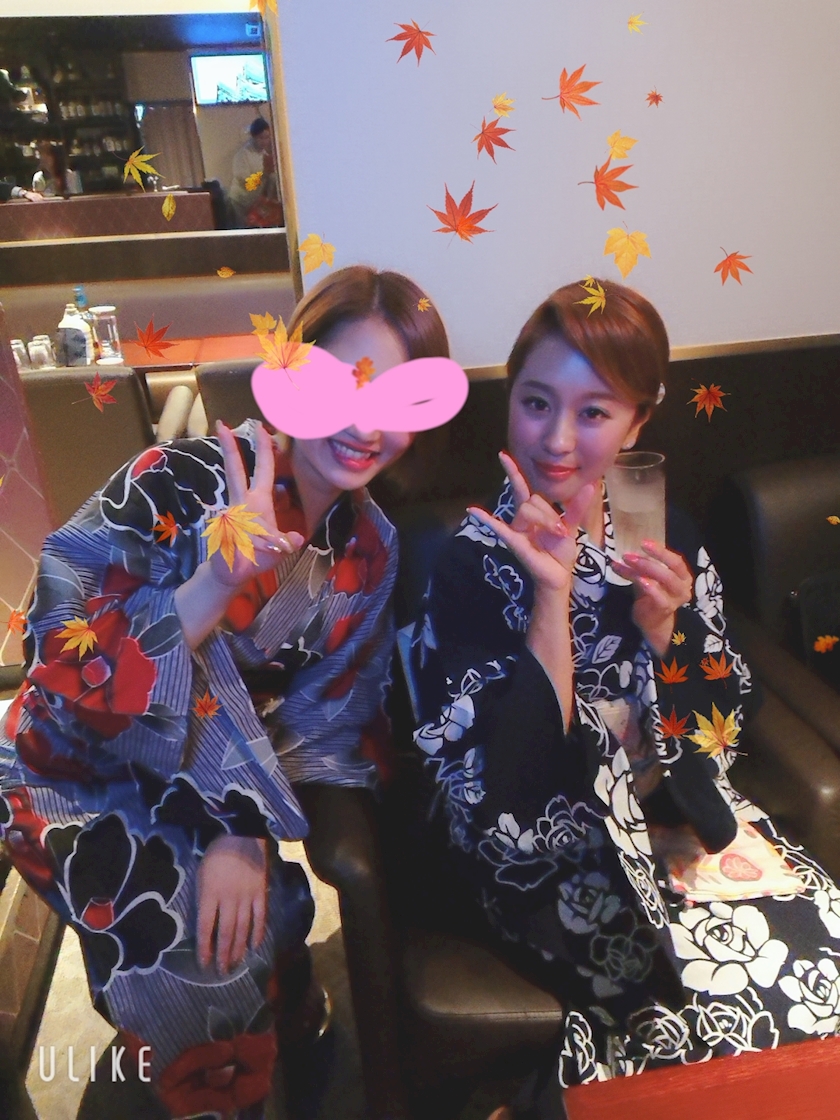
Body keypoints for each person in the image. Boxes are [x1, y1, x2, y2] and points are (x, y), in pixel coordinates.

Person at [0, 266, 455, 1119]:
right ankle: (222, 1072)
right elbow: (59, 639)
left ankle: (276, 1023)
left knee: (251, 917)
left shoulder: (369, 547)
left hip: (211, 784)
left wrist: (240, 829)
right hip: (77, 767)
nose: (363, 424)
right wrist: (213, 583)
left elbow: (325, 721)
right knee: (197, 956)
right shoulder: (176, 478)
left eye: (394, 397)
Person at [409, 279, 840, 1119]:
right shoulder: (470, 560)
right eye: (536, 402)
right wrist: (550, 600)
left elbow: (719, 732)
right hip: (539, 846)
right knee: (685, 1005)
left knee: (823, 962)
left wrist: (665, 632)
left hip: (667, 818)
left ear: (639, 422)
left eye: (594, 413)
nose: (555, 440)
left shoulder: (665, 535)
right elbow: (504, 790)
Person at [229, 117, 277, 227]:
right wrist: (264, 174)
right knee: (244, 232)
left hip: (256, 201)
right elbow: (247, 183)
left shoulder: (265, 154)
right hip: (241, 201)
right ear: (253, 137)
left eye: (267, 137)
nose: (265, 141)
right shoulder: (242, 155)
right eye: (261, 138)